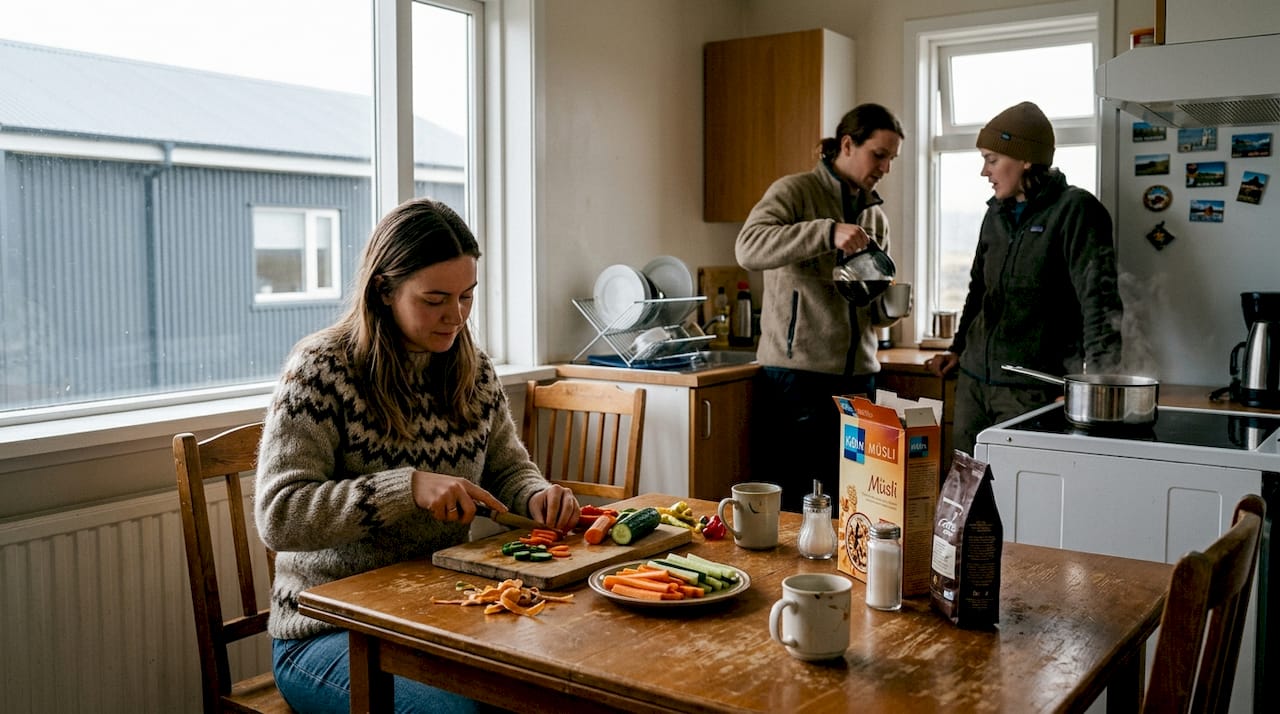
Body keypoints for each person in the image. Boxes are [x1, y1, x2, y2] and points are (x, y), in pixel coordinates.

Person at [254, 197, 581, 714]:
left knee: (550, 690)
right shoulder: (320, 369)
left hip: (436, 614)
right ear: (384, 289)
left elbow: (507, 466)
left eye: (467, 297)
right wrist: (405, 489)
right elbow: (280, 515)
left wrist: (537, 495)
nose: (455, 317)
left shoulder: (471, 368)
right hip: (326, 633)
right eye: (435, 299)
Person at [926, 101, 1123, 456]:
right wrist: (957, 348)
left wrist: (1097, 390)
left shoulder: (1076, 211)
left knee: (1023, 499)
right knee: (966, 493)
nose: (984, 172)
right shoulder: (995, 215)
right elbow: (979, 291)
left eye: (991, 159)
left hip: (1032, 390)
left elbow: (1100, 304)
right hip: (973, 383)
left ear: (1026, 159)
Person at [735, 103, 904, 511]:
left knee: (854, 499)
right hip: (797, 379)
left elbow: (873, 310)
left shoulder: (875, 216)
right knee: (795, 501)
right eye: (878, 154)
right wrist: (826, 233)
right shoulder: (794, 192)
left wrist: (892, 305)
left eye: (892, 159)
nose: (885, 167)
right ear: (847, 145)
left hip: (860, 380)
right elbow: (748, 247)